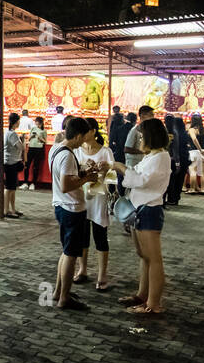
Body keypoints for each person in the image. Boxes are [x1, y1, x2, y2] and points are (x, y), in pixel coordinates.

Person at [109, 118, 172, 313]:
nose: (140, 140)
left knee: (153, 259)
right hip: (139, 209)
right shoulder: (151, 156)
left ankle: (153, 305)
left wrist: (119, 167)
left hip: (149, 209)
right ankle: (142, 294)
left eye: (142, 136)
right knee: (143, 256)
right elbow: (136, 174)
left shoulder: (161, 157)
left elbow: (141, 180)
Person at [50, 116, 100, 311]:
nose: (84, 141)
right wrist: (86, 178)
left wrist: (80, 173)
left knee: (66, 252)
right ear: (78, 136)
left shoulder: (56, 148)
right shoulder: (68, 155)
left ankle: (58, 291)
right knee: (71, 254)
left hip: (61, 206)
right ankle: (64, 298)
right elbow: (65, 185)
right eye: (84, 136)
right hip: (71, 207)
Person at [75, 123, 115, 291]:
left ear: (92, 131)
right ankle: (82, 270)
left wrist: (105, 172)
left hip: (98, 199)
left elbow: (113, 180)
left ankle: (102, 275)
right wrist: (84, 170)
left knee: (100, 236)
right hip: (81, 198)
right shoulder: (76, 151)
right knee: (82, 237)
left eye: (85, 131)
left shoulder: (106, 152)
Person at [2, 113, 25, 218]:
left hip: (11, 162)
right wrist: (22, 141)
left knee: (13, 188)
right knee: (9, 187)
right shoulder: (12, 134)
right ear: (16, 122)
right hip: (10, 163)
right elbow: (20, 147)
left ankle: (13, 209)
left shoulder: (9, 133)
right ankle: (6, 210)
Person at [165, 115, 191, 205]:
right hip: (184, 158)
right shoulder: (184, 133)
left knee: (172, 179)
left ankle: (171, 198)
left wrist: (177, 161)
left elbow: (175, 148)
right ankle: (176, 198)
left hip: (175, 159)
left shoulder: (175, 133)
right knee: (180, 179)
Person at [185, 113, 204, 195]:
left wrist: (199, 149)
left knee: (193, 170)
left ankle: (192, 189)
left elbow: (194, 139)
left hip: (194, 151)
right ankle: (202, 189)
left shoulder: (192, 129)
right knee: (203, 172)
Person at [124, 106, 154, 171]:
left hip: (142, 164)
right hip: (133, 165)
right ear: (142, 116)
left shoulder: (147, 130)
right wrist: (143, 151)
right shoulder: (135, 131)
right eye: (151, 115)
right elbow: (126, 149)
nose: (153, 117)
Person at [26, 115, 46, 189]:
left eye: (38, 123)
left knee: (35, 166)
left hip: (39, 149)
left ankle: (33, 183)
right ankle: (25, 182)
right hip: (31, 147)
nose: (37, 124)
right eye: (36, 123)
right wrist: (31, 137)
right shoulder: (33, 128)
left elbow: (45, 141)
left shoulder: (43, 130)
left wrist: (39, 138)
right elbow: (29, 138)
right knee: (27, 165)